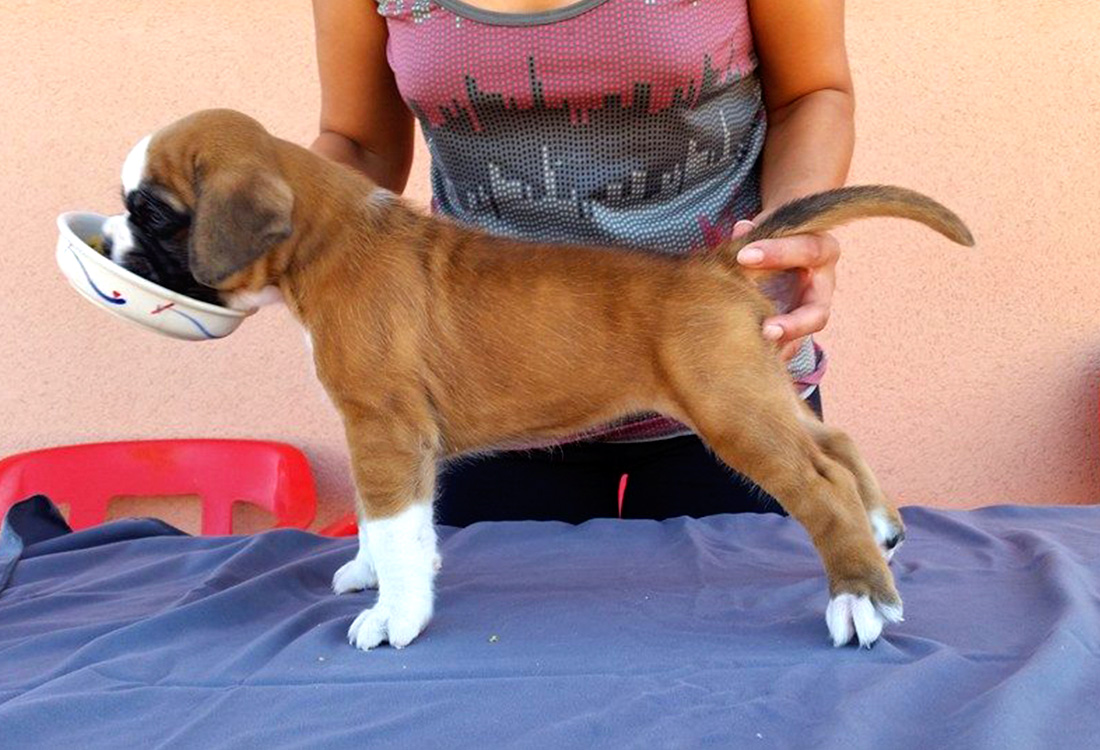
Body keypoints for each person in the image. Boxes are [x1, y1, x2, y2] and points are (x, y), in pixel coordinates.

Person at [310, 0, 851, 524]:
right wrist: (282, 225)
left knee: (752, 611)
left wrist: (790, 227)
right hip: (484, 389)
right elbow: (359, 142)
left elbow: (810, 93)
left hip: (716, 363)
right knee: (495, 618)